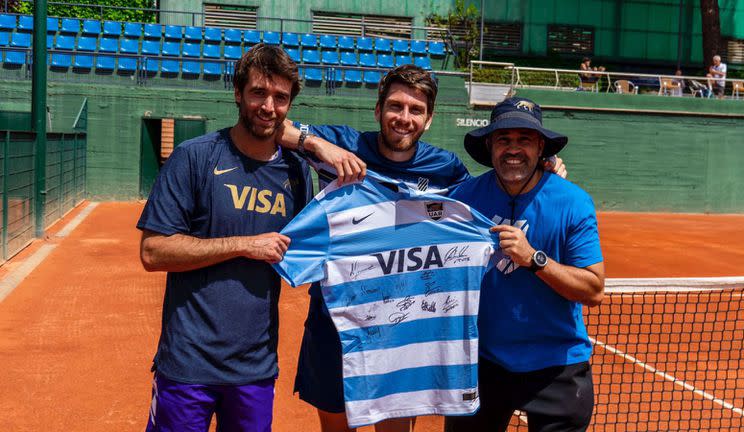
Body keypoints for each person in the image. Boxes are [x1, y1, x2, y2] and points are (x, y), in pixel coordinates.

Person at [273, 65, 566, 432]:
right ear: (378, 110)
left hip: (405, 330)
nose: (404, 118)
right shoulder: (343, 144)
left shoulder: (446, 170)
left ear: (428, 120)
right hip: (336, 322)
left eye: (416, 110)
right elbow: (273, 125)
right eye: (395, 106)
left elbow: (493, 189)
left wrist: (542, 165)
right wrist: (317, 145)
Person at [136, 43, 314, 432]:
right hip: (187, 364)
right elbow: (153, 251)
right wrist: (244, 245)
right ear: (238, 93)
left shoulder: (298, 173)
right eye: (258, 93)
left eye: (280, 97)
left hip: (254, 367)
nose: (268, 106)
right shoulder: (194, 157)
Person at [444, 97, 605, 432]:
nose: (513, 149)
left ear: (541, 147)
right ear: (489, 145)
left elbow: (593, 289)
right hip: (483, 363)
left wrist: (535, 259)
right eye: (503, 139)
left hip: (557, 367)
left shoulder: (573, 202)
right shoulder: (463, 199)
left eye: (524, 140)